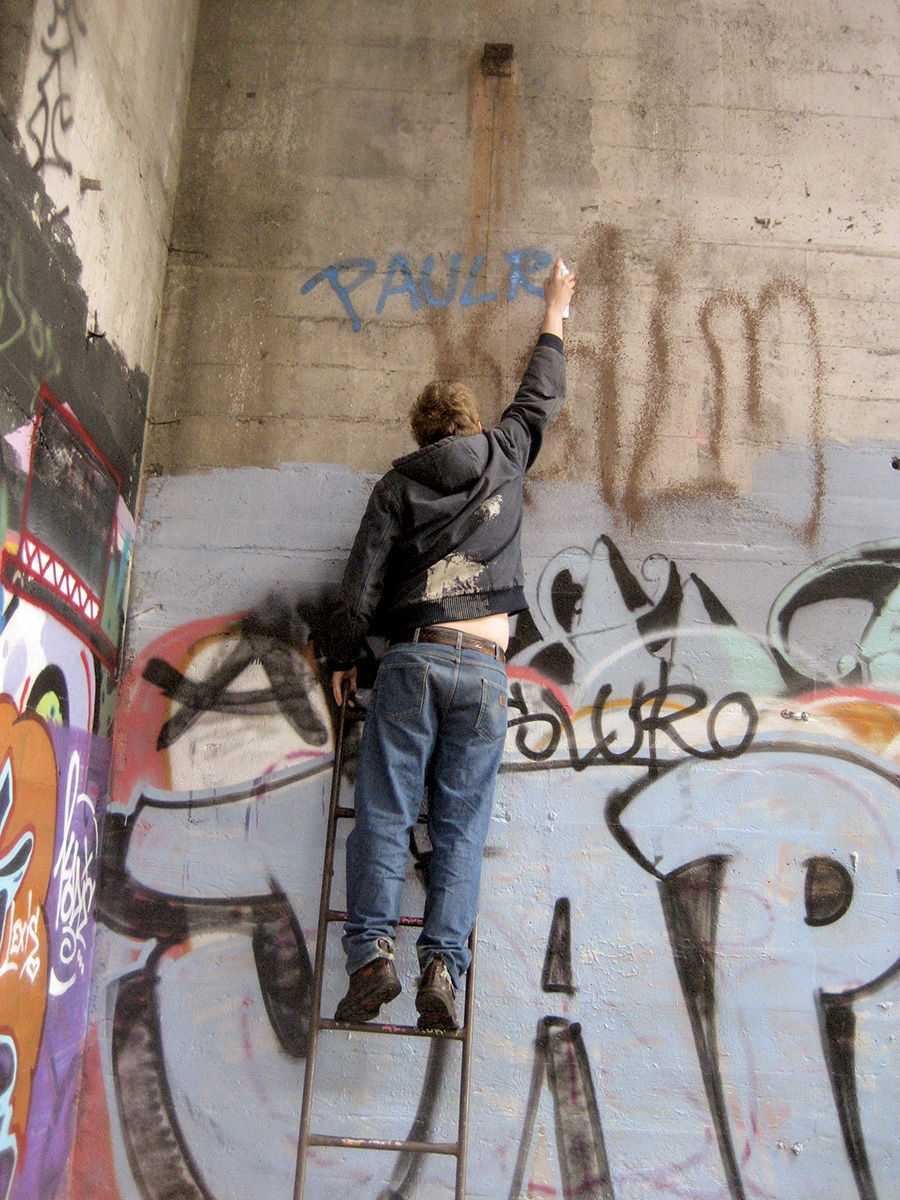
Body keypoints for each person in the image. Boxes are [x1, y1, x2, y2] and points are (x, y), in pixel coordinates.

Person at [326, 259, 575, 1030]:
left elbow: (361, 584)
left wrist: (339, 657)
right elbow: (542, 395)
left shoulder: (398, 486)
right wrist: (556, 308)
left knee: (386, 814)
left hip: (414, 658)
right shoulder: (504, 452)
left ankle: (371, 955)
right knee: (461, 825)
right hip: (487, 668)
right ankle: (442, 965)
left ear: (421, 432)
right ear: (469, 424)